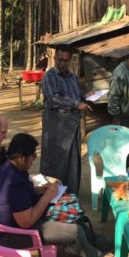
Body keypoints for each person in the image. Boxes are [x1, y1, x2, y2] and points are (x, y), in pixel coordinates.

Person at [0, 133, 114, 257]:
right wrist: (47, 196)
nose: (35, 158)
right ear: (21, 157)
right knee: (74, 231)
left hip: (12, 223)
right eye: (33, 155)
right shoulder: (13, 183)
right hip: (11, 235)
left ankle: (94, 240)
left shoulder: (10, 167)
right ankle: (92, 256)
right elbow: (26, 222)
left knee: (72, 215)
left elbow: (22, 194)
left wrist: (42, 190)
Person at [40, 48, 89, 194]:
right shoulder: (50, 77)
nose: (63, 63)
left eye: (66, 60)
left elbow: (74, 93)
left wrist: (85, 95)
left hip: (72, 125)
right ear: (54, 59)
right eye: (60, 60)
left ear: (70, 61)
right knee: (55, 160)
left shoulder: (72, 77)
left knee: (72, 160)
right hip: (56, 126)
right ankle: (51, 195)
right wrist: (76, 104)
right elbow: (54, 99)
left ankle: (70, 193)